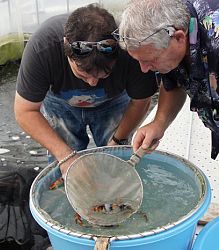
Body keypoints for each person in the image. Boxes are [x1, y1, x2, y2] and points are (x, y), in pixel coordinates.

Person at [116, 0, 219, 212]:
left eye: (150, 60)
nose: (143, 69)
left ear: (179, 37)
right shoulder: (168, 35)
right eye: (139, 61)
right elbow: (173, 79)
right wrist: (158, 123)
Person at [14, 4, 158, 177]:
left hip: (113, 102)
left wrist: (118, 139)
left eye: (103, 75)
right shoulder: (42, 47)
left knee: (118, 164)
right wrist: (65, 155)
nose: (92, 83)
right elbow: (25, 111)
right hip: (61, 104)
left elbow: (140, 101)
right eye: (83, 73)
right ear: (66, 50)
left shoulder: (130, 49)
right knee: (64, 166)